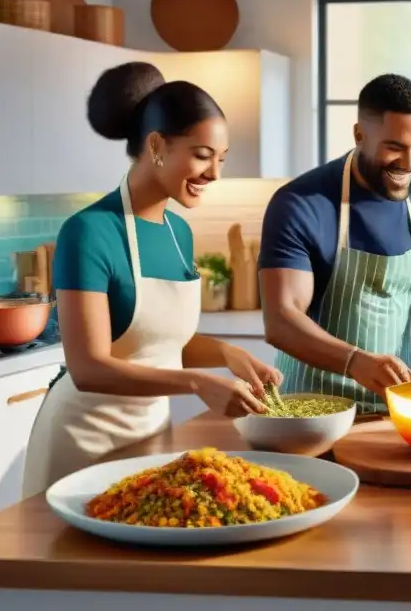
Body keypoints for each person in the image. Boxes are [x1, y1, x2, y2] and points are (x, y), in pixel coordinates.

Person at [22, 62, 281, 498]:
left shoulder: (178, 232)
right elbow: (87, 368)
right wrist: (197, 382)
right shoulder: (89, 231)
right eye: (202, 155)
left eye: (221, 159)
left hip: (151, 438)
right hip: (83, 442)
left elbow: (156, 340)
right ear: (157, 145)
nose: (214, 174)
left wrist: (226, 353)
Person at [258, 73, 411, 415]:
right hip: (309, 409)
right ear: (359, 135)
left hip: (399, 403)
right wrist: (354, 361)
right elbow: (282, 320)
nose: (410, 164)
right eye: (395, 147)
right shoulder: (301, 203)